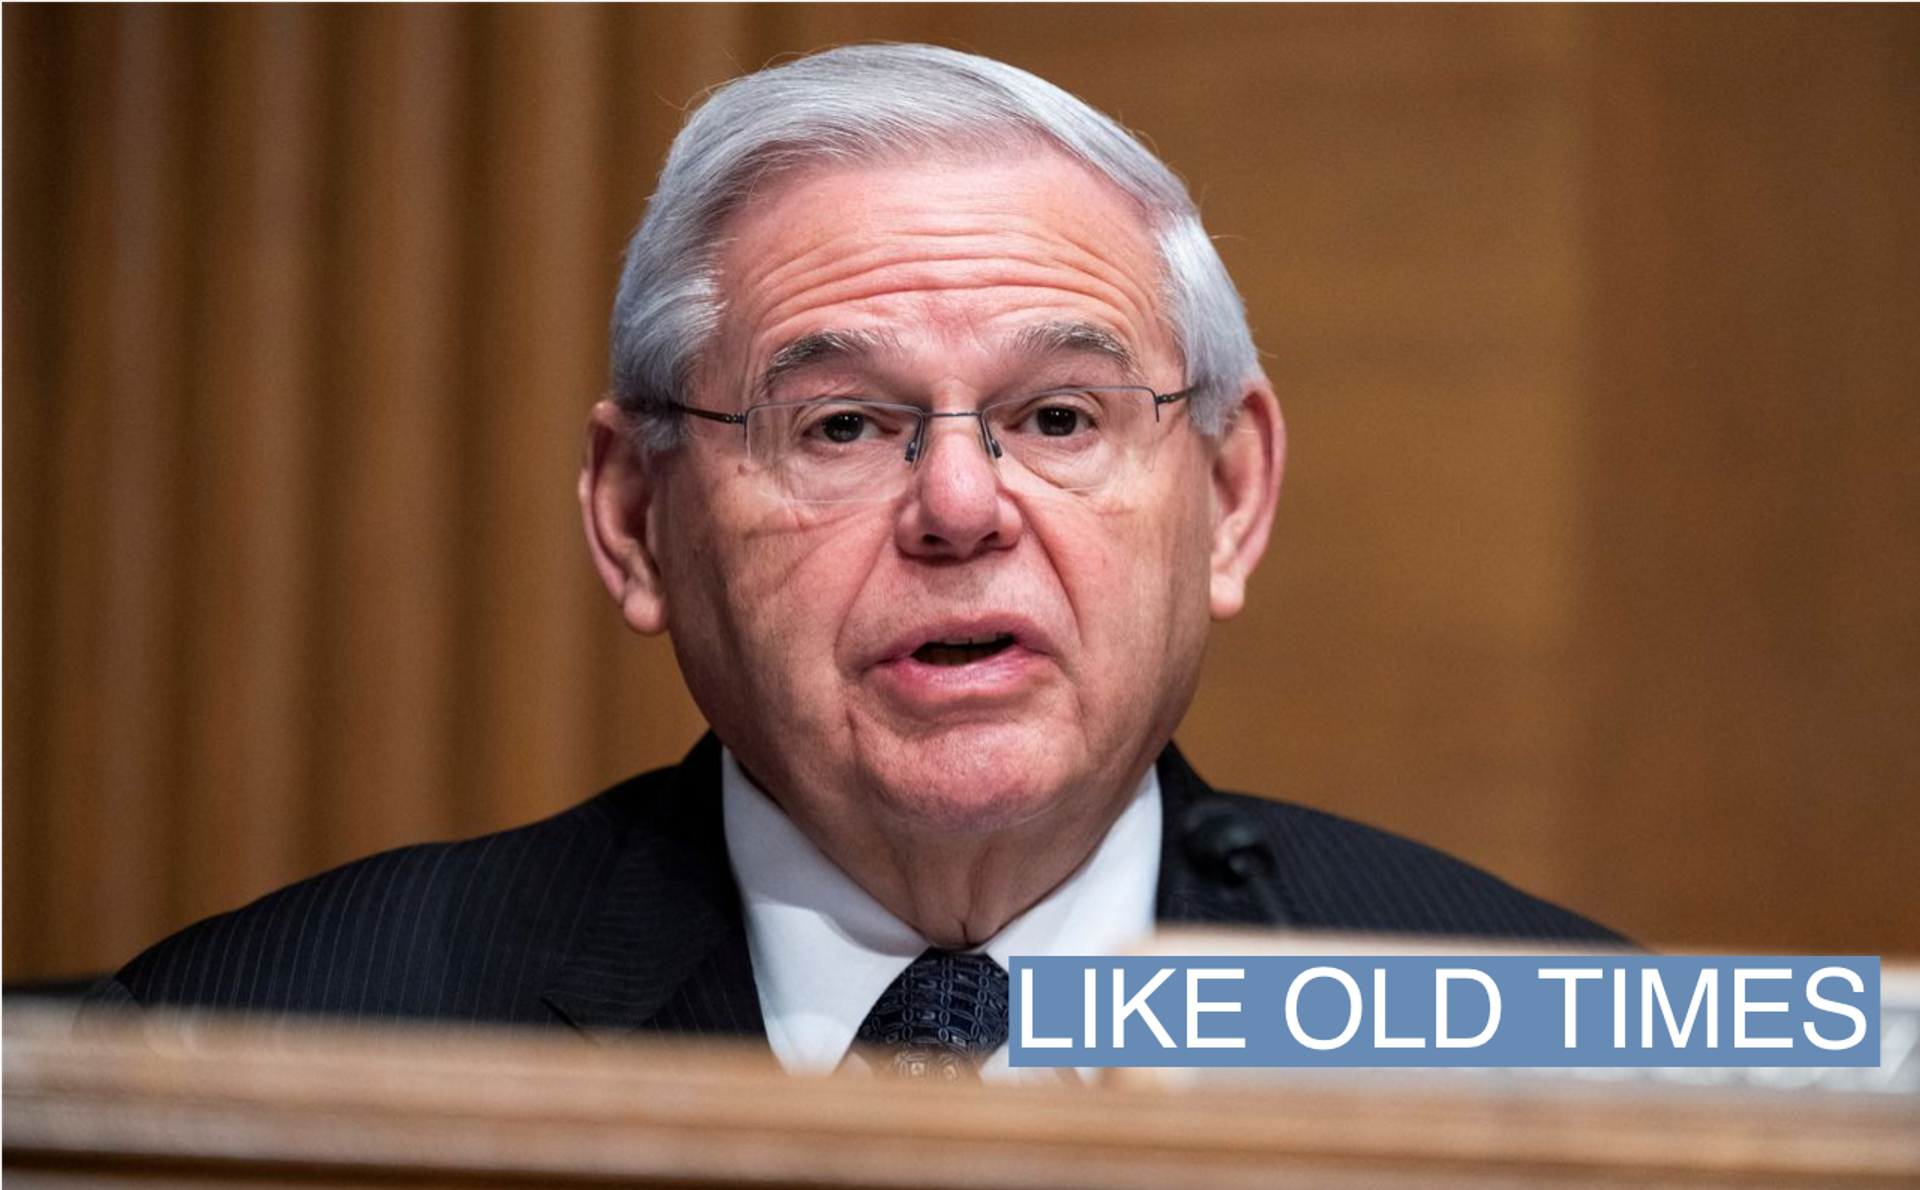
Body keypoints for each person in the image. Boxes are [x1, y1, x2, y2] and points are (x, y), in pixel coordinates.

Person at [90, 45, 1615, 1077]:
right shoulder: (247, 1046)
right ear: (635, 519)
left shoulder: (1576, 1061)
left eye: (1060, 413)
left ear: (1228, 497)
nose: (960, 502)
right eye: (836, 426)